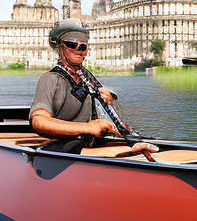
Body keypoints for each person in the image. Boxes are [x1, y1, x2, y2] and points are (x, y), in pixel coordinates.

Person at [30, 18, 156, 157]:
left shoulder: (87, 77)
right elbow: (39, 122)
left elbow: (106, 111)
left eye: (83, 46)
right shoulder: (50, 79)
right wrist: (89, 127)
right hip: (62, 148)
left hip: (90, 144)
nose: (79, 50)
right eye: (72, 44)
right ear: (59, 46)